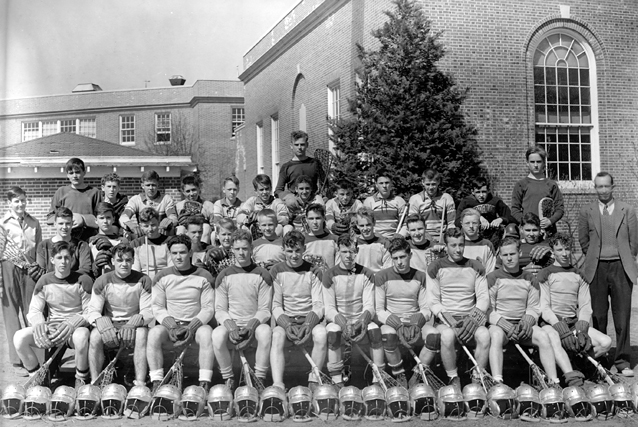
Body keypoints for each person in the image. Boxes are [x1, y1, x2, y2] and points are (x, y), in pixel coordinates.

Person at [578, 172, 637, 377]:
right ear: (595, 188)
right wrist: (596, 257)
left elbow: (633, 242)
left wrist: (624, 259)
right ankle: (600, 359)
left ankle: (622, 360)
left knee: (622, 317)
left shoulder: (627, 210)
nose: (603, 190)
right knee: (598, 315)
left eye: (606, 186)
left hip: (621, 268)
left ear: (613, 187)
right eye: (599, 187)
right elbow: (584, 241)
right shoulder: (586, 211)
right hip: (597, 268)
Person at [14, 241, 93, 388]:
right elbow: (35, 310)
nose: (63, 262)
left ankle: (81, 378)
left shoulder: (83, 280)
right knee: (19, 338)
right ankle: (38, 377)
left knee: (81, 337)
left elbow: (90, 311)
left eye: (67, 258)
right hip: (53, 329)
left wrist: (73, 323)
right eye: (59, 258)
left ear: (72, 260)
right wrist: (40, 325)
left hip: (73, 329)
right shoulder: (44, 281)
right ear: (52, 260)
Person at [538, 233, 612, 386]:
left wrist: (582, 327)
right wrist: (559, 327)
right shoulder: (545, 274)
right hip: (552, 324)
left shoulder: (579, 274)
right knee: (554, 340)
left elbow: (585, 306)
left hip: (573, 323)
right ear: (552, 252)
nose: (564, 254)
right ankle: (568, 371)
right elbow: (544, 307)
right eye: (559, 250)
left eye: (567, 249)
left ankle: (579, 363)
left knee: (605, 342)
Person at [487, 237, 561, 386]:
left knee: (543, 336)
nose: (509, 258)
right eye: (505, 255)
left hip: (522, 326)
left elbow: (534, 307)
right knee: (495, 335)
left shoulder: (529, 278)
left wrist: (527, 322)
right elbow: (488, 309)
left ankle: (553, 381)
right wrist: (504, 325)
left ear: (519, 253)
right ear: (500, 256)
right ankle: (497, 381)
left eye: (512, 254)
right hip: (501, 326)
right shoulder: (492, 278)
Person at [148, 235, 215, 392]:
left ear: (190, 253)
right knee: (154, 333)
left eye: (183, 252)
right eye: (174, 253)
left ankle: (204, 383)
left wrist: (191, 328)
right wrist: (171, 326)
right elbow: (157, 307)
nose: (178, 257)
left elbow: (208, 308)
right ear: (170, 254)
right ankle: (157, 381)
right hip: (171, 326)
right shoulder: (161, 276)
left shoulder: (204, 276)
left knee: (207, 334)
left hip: (196, 326)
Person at [426, 228, 490, 388]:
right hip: (446, 320)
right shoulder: (435, 267)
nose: (458, 249)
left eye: (461, 245)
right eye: (453, 245)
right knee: (447, 336)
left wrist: (473, 318)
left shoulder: (476, 266)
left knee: (485, 336)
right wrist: (451, 321)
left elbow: (483, 298)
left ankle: (477, 378)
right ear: (446, 246)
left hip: (470, 319)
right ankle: (453, 378)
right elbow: (433, 301)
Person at [375, 237, 440, 388]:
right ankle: (399, 374)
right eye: (395, 258)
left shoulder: (421, 276)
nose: (399, 262)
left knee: (434, 336)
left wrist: (416, 322)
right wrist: (397, 324)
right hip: (392, 322)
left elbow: (426, 308)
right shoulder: (381, 276)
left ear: (410, 255)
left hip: (413, 321)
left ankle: (417, 375)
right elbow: (379, 310)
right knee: (388, 335)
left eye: (403, 257)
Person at [213, 230, 273, 390]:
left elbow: (265, 309)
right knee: (217, 335)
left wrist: (250, 327)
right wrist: (231, 327)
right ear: (231, 249)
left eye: (245, 248)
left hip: (254, 325)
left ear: (251, 249)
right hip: (231, 325)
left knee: (266, 332)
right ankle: (228, 378)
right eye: (238, 248)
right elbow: (220, 309)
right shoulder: (224, 275)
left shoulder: (262, 275)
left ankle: (259, 378)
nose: (241, 252)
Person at [87, 243, 153, 386]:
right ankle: (95, 380)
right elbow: (92, 310)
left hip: (133, 324)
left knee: (142, 334)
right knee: (94, 336)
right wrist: (101, 323)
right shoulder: (102, 280)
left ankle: (140, 381)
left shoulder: (143, 279)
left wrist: (134, 322)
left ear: (133, 261)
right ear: (112, 261)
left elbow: (148, 311)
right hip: (111, 323)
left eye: (128, 260)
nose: (124, 264)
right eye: (120, 260)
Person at [323, 234, 383, 386]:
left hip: (360, 319)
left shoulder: (367, 273)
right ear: (338, 251)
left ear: (356, 251)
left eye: (351, 251)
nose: (348, 256)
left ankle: (378, 378)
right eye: (344, 252)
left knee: (375, 330)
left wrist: (361, 322)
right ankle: (337, 381)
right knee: (332, 333)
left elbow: (370, 305)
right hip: (339, 320)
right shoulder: (329, 275)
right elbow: (329, 308)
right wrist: (343, 323)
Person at [270, 231, 326, 391]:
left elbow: (318, 304)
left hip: (309, 319)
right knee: (277, 335)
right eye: (289, 251)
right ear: (283, 250)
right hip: (287, 320)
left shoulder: (313, 271)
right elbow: (276, 305)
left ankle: (314, 380)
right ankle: (278, 384)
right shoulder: (277, 270)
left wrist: (309, 324)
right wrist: (287, 325)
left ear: (304, 249)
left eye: (297, 251)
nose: (294, 255)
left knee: (321, 334)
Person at [2, 186, 41, 376]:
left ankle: (33, 355)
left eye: (23, 200)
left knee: (31, 311)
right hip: (8, 268)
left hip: (30, 269)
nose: (20, 204)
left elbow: (40, 249)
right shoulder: (2, 224)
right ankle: (17, 361)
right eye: (16, 201)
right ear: (9, 203)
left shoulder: (34, 223)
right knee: (11, 313)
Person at [511, 146, 564, 235]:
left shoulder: (551, 185)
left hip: (548, 233)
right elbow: (515, 209)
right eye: (532, 162)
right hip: (529, 233)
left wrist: (550, 221)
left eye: (539, 162)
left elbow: (560, 209)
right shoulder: (521, 184)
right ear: (527, 163)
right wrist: (526, 224)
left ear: (544, 163)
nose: (535, 165)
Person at [47, 158, 101, 241]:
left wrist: (83, 219)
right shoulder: (61, 192)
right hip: (66, 240)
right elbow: (50, 218)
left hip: (89, 240)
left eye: (78, 172)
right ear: (67, 175)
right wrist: (68, 219)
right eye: (71, 173)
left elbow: (102, 219)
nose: (74, 176)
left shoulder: (94, 192)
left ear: (84, 172)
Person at [455, 177, 513, 248]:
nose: (481, 195)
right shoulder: (466, 202)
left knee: (511, 228)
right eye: (478, 192)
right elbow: (458, 222)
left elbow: (511, 216)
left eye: (484, 192)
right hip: (473, 235)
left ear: (488, 190)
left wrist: (501, 219)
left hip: (493, 234)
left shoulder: (495, 201)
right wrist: (477, 217)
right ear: (472, 191)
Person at [120, 170, 178, 237]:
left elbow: (173, 218)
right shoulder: (135, 199)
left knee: (179, 229)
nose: (151, 188)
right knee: (126, 231)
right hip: (144, 233)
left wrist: (169, 221)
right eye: (148, 185)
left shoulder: (166, 199)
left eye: (153, 185)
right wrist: (130, 224)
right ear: (142, 185)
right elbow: (123, 217)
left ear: (158, 185)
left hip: (161, 233)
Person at [36, 207, 92, 276]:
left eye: (68, 223)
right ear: (55, 224)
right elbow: (41, 272)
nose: (64, 227)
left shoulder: (81, 246)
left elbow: (85, 270)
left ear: (72, 224)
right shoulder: (43, 246)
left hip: (74, 284)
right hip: (50, 285)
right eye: (61, 223)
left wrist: (63, 278)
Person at [407, 169, 456, 242]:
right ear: (422, 182)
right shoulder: (415, 199)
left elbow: (451, 224)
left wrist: (448, 237)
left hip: (442, 236)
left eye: (433, 184)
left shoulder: (446, 198)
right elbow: (414, 224)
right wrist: (428, 238)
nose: (430, 188)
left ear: (438, 182)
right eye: (428, 184)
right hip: (422, 236)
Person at [274, 130, 325, 198]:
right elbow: (278, 191)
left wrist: (324, 196)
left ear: (307, 145)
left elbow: (325, 183)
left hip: (313, 200)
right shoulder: (286, 167)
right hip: (294, 201)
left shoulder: (315, 163)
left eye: (302, 144)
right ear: (291, 146)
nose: (299, 147)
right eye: (296, 145)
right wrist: (288, 197)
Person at [363, 170, 407, 239]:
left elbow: (405, 223)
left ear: (391, 184)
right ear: (376, 185)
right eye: (381, 183)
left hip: (395, 240)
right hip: (375, 240)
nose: (384, 186)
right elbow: (367, 224)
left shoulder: (399, 201)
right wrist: (377, 238)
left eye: (387, 183)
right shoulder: (369, 202)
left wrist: (400, 236)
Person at [88, 202, 128, 278]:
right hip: (98, 282)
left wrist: (112, 250)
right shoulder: (90, 241)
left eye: (108, 217)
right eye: (101, 218)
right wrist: (95, 267)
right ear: (96, 220)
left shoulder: (122, 241)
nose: (105, 221)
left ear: (113, 219)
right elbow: (87, 267)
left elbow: (127, 264)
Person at [131, 207, 172, 279]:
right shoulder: (136, 244)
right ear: (141, 226)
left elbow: (171, 269)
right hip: (145, 282)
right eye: (146, 226)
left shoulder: (169, 242)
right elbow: (135, 270)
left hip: (165, 281)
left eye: (153, 225)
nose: (150, 229)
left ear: (159, 223)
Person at [175, 174, 214, 244]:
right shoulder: (178, 206)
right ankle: (182, 251)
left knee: (206, 227)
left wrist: (204, 221)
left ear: (199, 189)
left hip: (201, 233)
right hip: (186, 232)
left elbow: (214, 224)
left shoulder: (207, 205)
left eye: (194, 190)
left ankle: (203, 251)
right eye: (188, 191)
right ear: (183, 192)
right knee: (180, 229)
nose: (191, 194)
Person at [353, 208, 391, 272]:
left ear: (374, 223)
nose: (365, 229)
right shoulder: (353, 244)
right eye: (362, 225)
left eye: (368, 225)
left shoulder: (384, 244)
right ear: (357, 226)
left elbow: (387, 269)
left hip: (378, 279)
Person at [460, 208, 496, 274]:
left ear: (479, 224)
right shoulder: (457, 244)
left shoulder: (487, 245)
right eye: (467, 223)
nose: (471, 226)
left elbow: (490, 272)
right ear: (461, 224)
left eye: (474, 223)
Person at [304, 203, 340, 269]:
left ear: (324, 218)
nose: (314, 222)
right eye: (311, 218)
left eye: (318, 218)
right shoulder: (302, 241)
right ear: (306, 220)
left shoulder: (335, 240)